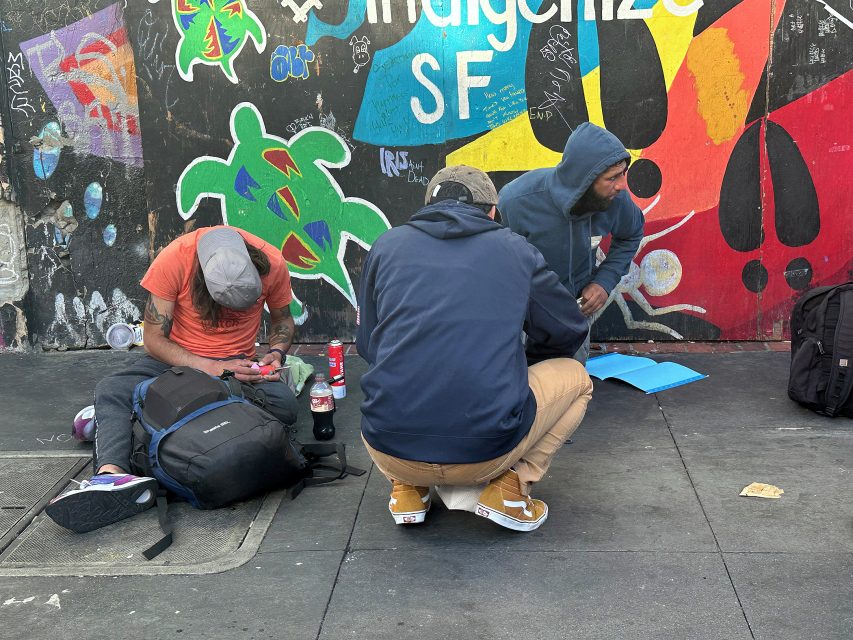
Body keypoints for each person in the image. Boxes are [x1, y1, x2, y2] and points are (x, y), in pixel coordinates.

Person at [356, 165, 593, 532]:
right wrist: (521, 367)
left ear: (426, 207)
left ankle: (407, 487)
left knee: (398, 380)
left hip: (387, 444)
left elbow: (370, 345)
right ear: (493, 211)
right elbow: (567, 329)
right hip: (485, 450)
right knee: (579, 378)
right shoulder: (516, 250)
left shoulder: (386, 245)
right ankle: (511, 488)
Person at [46, 226, 298, 533]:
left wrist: (276, 352)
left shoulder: (273, 263)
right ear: (202, 279)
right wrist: (210, 367)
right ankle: (112, 474)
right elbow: (153, 339)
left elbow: (283, 319)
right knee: (111, 389)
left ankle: (127, 420)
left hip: (233, 370)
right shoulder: (175, 260)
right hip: (176, 363)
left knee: (285, 405)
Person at [498, 122, 645, 363]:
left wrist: (603, 282)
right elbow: (491, 258)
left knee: (570, 390)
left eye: (623, 174)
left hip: (573, 313)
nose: (621, 185)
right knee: (515, 389)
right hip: (520, 315)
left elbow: (631, 235)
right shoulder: (516, 201)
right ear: (584, 179)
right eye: (612, 178)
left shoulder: (616, 200)